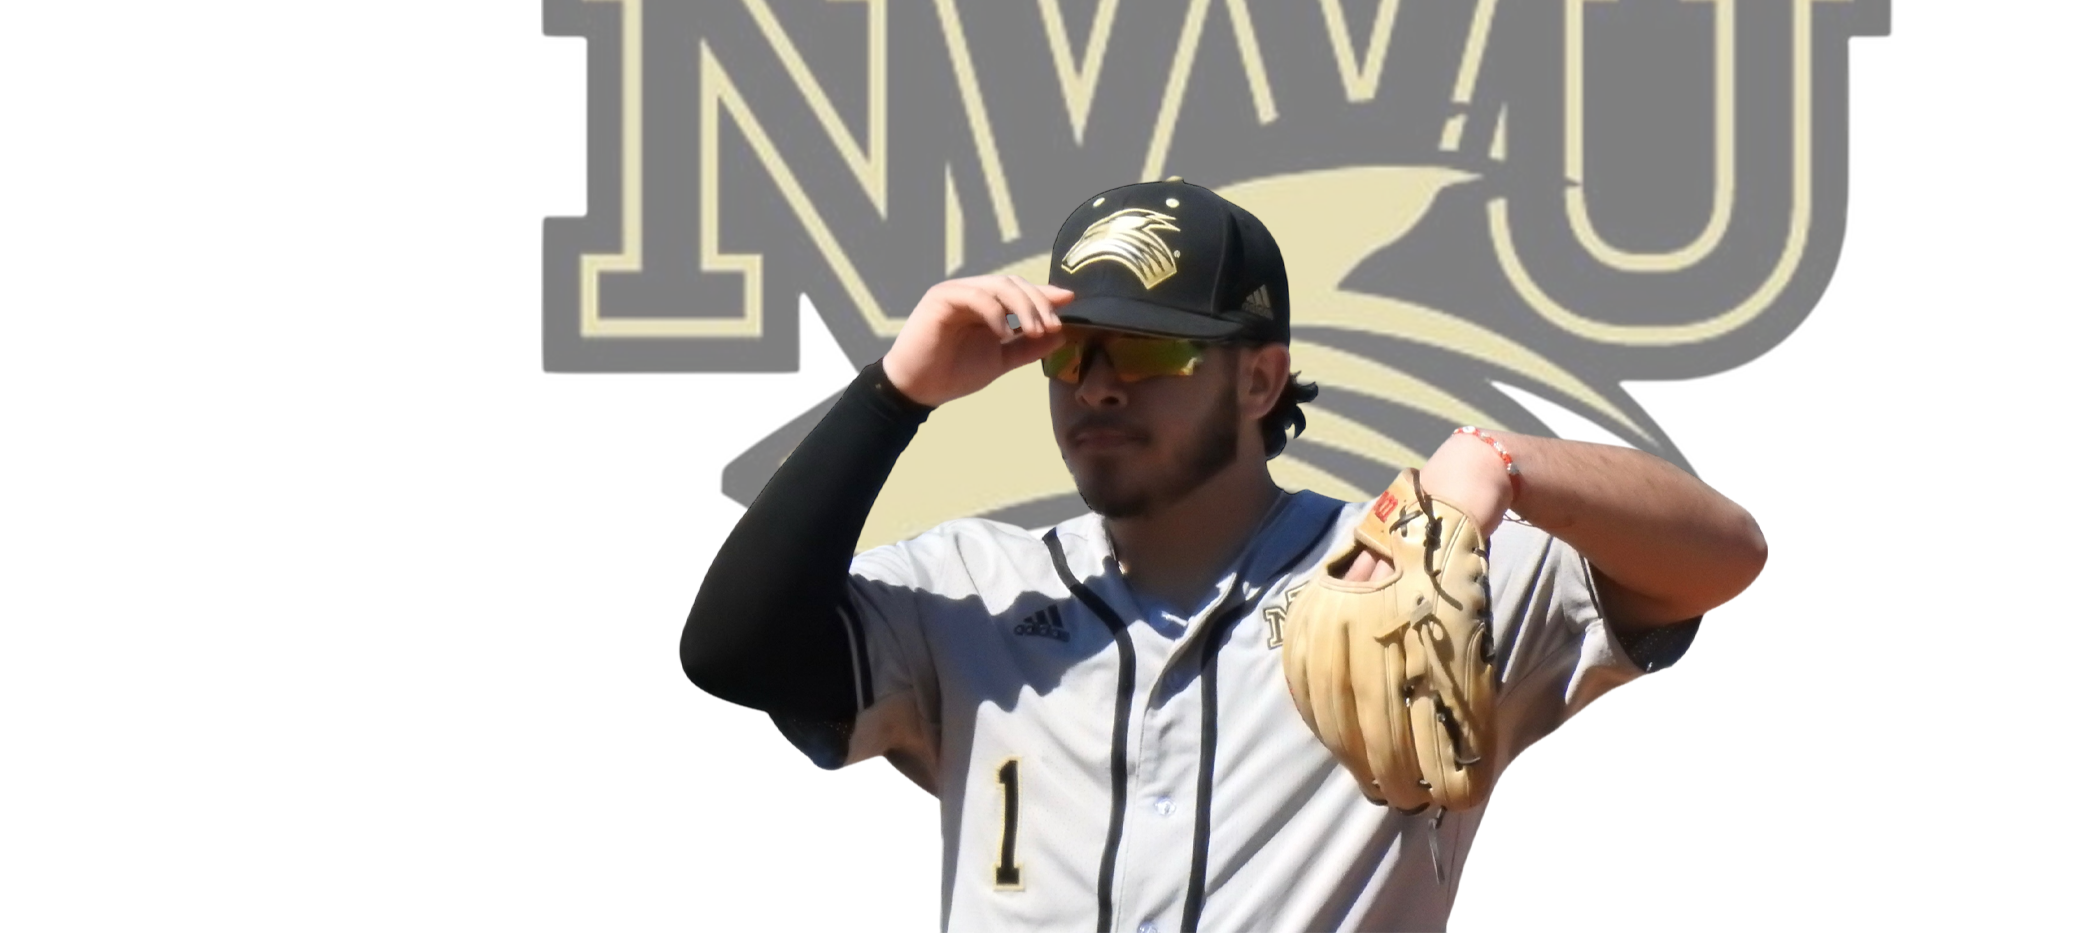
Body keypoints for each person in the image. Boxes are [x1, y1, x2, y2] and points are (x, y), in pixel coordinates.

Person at [682, 180, 1768, 932]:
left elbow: (1729, 552)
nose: (1101, 382)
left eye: (1152, 347)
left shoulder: (1412, 563)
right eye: (1071, 352)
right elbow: (734, 649)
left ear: (1258, 380)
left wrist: (1508, 464)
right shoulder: (971, 585)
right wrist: (895, 389)